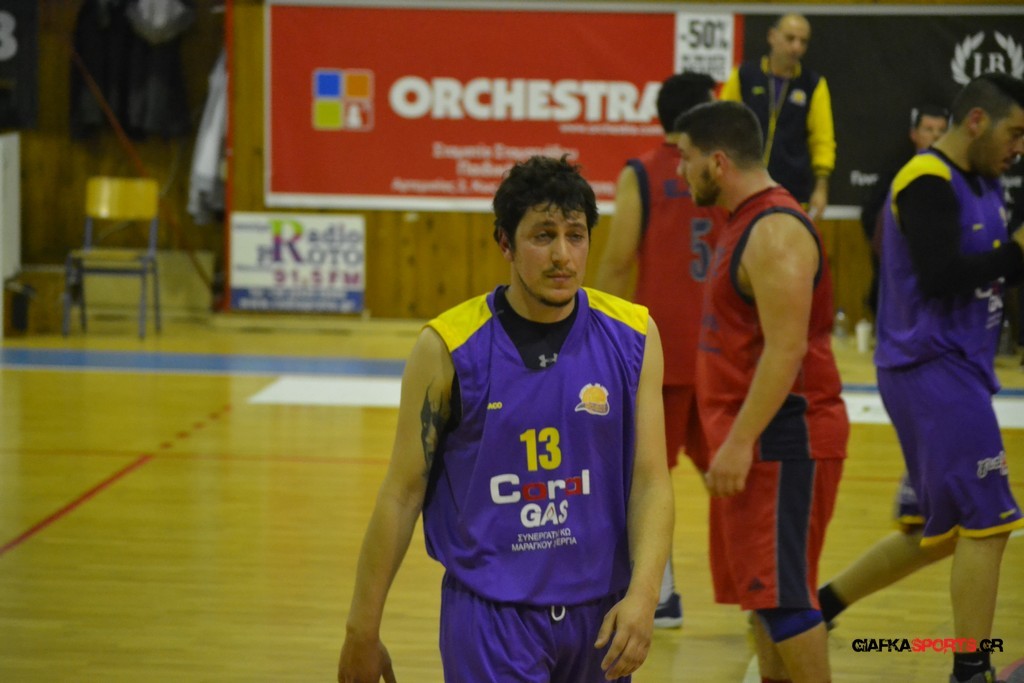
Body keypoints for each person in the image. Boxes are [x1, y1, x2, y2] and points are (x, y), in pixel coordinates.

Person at [336, 155, 675, 683]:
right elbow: (401, 494)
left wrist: (645, 595)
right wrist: (362, 630)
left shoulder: (634, 336)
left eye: (575, 235)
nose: (562, 255)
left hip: (600, 617)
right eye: (542, 235)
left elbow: (651, 483)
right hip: (491, 618)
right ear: (505, 243)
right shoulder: (447, 349)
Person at [828, 72, 1024, 683]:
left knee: (933, 532)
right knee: (989, 522)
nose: (1019, 148)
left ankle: (819, 608)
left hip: (955, 371)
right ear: (977, 122)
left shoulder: (986, 181)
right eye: (1015, 133)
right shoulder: (925, 181)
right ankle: (971, 671)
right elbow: (942, 275)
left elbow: (996, 272)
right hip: (929, 371)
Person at [674, 99, 848, 683]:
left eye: (687, 158)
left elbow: (786, 350)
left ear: (718, 162)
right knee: (767, 601)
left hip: (785, 441)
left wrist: (739, 441)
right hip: (763, 442)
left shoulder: (774, 231)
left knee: (783, 598)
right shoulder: (744, 221)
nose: (680, 170)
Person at [593, 70, 724, 629]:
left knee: (646, 478)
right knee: (733, 476)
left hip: (661, 352)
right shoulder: (725, 169)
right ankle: (767, 592)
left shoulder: (642, 173)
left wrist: (594, 334)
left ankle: (662, 595)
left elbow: (617, 262)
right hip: (721, 352)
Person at [719, 13, 835, 221]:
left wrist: (821, 187)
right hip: (745, 186)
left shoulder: (813, 84)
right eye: (790, 38)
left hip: (792, 189)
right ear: (772, 36)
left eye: (803, 42)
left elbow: (822, 139)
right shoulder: (745, 75)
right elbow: (722, 125)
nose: (796, 47)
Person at [860, 104, 950, 317]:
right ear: (914, 134)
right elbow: (871, 220)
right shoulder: (896, 175)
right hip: (896, 282)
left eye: (942, 130)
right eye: (929, 129)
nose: (936, 136)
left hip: (943, 289)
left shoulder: (957, 178)